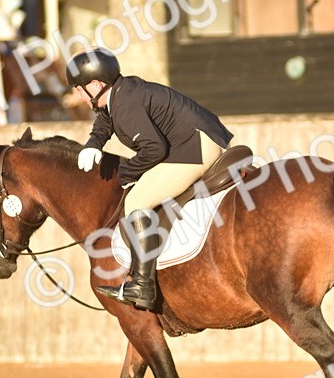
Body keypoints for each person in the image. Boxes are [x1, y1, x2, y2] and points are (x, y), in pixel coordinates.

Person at [67, 48, 234, 311]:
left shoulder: (126, 104)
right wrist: (93, 144)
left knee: (136, 201)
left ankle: (142, 284)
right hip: (191, 141)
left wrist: (125, 174)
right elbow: (105, 120)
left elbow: (154, 149)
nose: (77, 95)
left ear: (96, 85)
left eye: (78, 88)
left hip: (196, 148)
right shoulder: (121, 92)